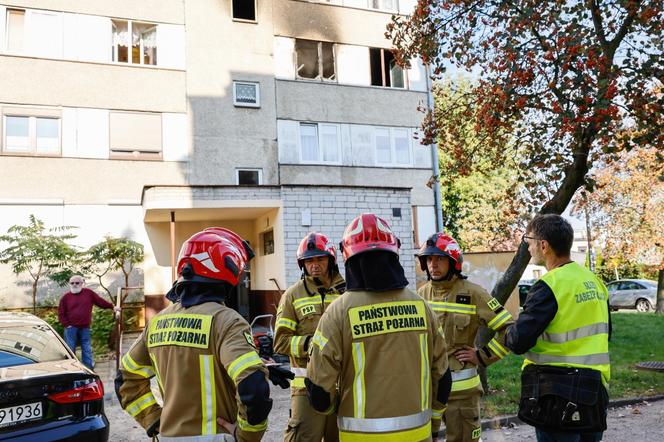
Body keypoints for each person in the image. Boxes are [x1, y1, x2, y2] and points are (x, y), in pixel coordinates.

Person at [115, 227, 273, 441]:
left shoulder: (157, 322)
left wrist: (153, 419)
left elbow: (125, 379)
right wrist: (246, 436)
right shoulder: (226, 320)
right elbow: (253, 388)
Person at [306, 213, 452, 441]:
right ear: (394, 252)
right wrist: (433, 426)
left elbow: (319, 392)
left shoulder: (338, 312)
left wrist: (335, 411)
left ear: (347, 256)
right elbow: (442, 379)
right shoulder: (422, 306)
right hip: (419, 435)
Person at [505, 214, 610, 442]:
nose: (528, 246)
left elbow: (518, 341)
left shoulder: (549, 286)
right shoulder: (594, 281)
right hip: (593, 392)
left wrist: (506, 328)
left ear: (544, 246)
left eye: (529, 240)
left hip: (557, 394)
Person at [416, 233, 515, 442]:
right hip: (427, 392)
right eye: (429, 259)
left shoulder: (474, 294)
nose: (433, 264)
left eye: (439, 258)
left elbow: (509, 330)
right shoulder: (420, 296)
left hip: (461, 395)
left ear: (453, 262)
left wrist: (482, 356)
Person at [274, 232, 346, 442]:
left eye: (320, 259)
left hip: (342, 385)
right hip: (306, 386)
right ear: (302, 264)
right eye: (309, 260)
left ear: (330, 260)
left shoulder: (347, 293)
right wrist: (312, 344)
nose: (314, 264)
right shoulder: (292, 295)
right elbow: (280, 342)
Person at [58, 274, 118, 369]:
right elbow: (61, 313)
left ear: (82, 283)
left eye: (77, 283)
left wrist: (112, 307)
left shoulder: (88, 293)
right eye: (72, 283)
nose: (74, 285)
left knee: (86, 349)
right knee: (70, 349)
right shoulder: (65, 297)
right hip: (71, 328)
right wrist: (66, 324)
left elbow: (100, 301)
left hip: (85, 327)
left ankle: (88, 368)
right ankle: (72, 368)